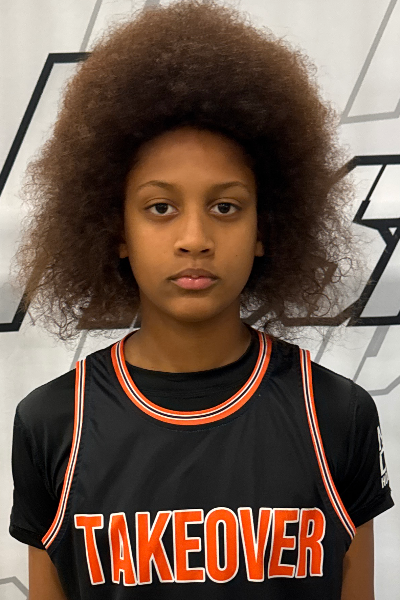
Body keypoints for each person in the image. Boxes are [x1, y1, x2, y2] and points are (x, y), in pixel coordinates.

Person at [9, 1, 394, 599]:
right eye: (161, 207)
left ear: (266, 227)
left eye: (225, 206)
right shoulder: (54, 423)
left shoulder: (336, 416)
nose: (194, 238)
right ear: (116, 229)